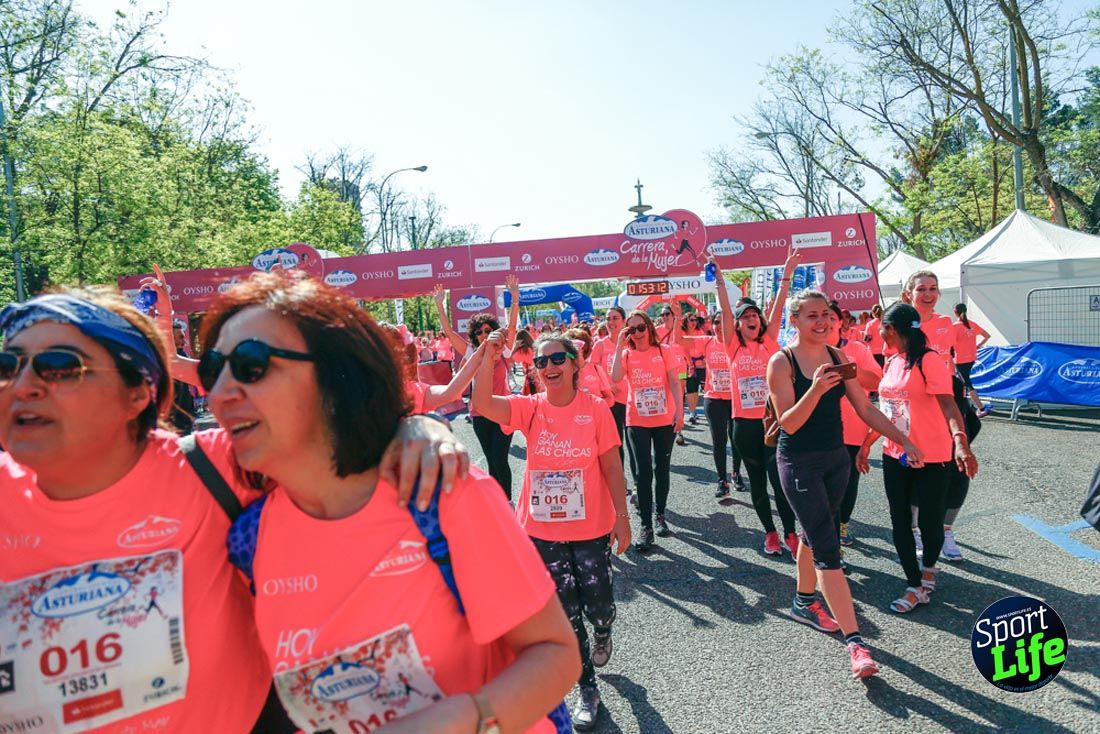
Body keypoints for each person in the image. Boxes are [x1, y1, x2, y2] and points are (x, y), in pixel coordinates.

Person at [0, 286, 468, 734]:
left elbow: (332, 426)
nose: (23, 386)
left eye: (59, 367)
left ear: (137, 394)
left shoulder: (214, 466)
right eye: (7, 365)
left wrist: (416, 430)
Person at [204, 272, 580, 733]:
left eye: (251, 365)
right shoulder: (247, 536)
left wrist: (462, 720)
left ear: (337, 377)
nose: (218, 393)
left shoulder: (443, 492)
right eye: (211, 370)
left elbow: (557, 655)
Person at [472, 332, 630, 732]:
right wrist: (487, 356)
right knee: (566, 614)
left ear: (575, 364)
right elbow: (482, 405)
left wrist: (623, 517)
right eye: (541, 362)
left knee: (599, 605)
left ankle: (604, 630)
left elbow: (611, 466)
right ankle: (587, 689)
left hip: (591, 527)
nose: (549, 367)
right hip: (542, 530)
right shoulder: (531, 408)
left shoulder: (595, 409)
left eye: (557, 359)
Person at [767, 290, 924, 679]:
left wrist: (902, 438)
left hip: (836, 460)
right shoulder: (781, 361)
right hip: (798, 461)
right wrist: (817, 388)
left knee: (810, 533)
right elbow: (788, 422)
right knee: (827, 547)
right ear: (795, 321)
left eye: (826, 315)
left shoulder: (840, 357)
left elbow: (865, 406)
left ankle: (804, 603)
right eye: (811, 316)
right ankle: (856, 643)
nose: (822, 322)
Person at [856, 303, 978, 615]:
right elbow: (888, 411)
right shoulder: (892, 361)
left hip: (933, 455)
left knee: (929, 521)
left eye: (880, 327)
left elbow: (950, 406)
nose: (877, 333)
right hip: (895, 453)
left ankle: (929, 569)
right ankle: (915, 584)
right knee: (899, 520)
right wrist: (867, 443)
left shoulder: (929, 360)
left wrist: (960, 443)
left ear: (890, 329)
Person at [712, 252, 801, 557]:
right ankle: (771, 534)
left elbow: (777, 307)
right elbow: (724, 309)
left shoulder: (769, 342)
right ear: (737, 326)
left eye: (754, 316)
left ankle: (791, 533)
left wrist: (786, 271)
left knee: (780, 482)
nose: (752, 319)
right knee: (758, 484)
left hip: (773, 423)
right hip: (743, 426)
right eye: (745, 317)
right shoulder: (733, 347)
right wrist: (720, 279)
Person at [434, 275, 522, 499]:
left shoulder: (504, 349)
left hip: (503, 410)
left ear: (494, 330)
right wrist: (440, 305)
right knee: (492, 460)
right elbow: (450, 333)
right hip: (479, 413)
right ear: (474, 335)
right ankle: (499, 505)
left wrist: (514, 296)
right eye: (479, 332)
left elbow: (512, 325)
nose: (484, 335)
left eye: (487, 330)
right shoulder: (472, 352)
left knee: (501, 459)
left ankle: (507, 502)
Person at [610, 310, 683, 549]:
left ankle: (660, 515)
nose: (637, 333)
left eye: (641, 328)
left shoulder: (664, 351)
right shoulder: (627, 354)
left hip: (664, 419)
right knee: (642, 473)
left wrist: (680, 412)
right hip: (637, 420)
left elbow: (674, 381)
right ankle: (646, 525)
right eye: (632, 330)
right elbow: (615, 378)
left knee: (661, 468)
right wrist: (620, 344)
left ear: (650, 328)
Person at [824, 301, 883, 550]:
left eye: (831, 318)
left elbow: (876, 380)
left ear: (841, 323)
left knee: (847, 486)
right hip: (819, 433)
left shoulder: (858, 349)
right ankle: (827, 541)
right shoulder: (805, 351)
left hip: (852, 431)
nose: (824, 323)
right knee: (822, 490)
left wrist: (845, 370)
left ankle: (842, 525)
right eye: (818, 316)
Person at [681, 312, 745, 503]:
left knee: (736, 439)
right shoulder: (707, 341)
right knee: (719, 441)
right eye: (716, 322)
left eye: (723, 323)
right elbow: (679, 340)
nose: (719, 326)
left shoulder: (739, 343)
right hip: (713, 397)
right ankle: (722, 481)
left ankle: (735, 473)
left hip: (736, 398)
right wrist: (677, 318)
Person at [590, 307, 638, 492]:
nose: (611, 322)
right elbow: (591, 369)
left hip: (633, 401)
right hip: (611, 402)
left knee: (634, 445)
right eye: (608, 318)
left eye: (615, 318)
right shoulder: (600, 345)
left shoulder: (633, 342)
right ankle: (621, 482)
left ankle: (637, 484)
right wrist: (606, 385)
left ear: (624, 321)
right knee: (615, 446)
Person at [953, 303, 991, 417]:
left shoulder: (955, 326)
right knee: (963, 383)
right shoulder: (972, 324)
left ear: (955, 312)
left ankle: (981, 408)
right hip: (971, 358)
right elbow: (987, 336)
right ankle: (965, 405)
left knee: (967, 383)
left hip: (959, 359)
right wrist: (978, 346)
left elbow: (949, 343)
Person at [566, 328, 614, 403]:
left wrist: (592, 405)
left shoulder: (596, 369)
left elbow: (610, 400)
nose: (574, 349)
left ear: (585, 348)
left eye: (578, 345)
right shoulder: (563, 372)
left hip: (596, 413)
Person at [681, 313, 708, 426]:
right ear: (685, 321)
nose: (694, 322)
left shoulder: (700, 332)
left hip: (700, 366)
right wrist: (689, 362)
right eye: (691, 320)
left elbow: (705, 348)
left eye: (695, 320)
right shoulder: (682, 333)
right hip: (683, 368)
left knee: (698, 390)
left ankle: (694, 412)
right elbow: (681, 349)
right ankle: (690, 413)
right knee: (686, 389)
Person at [863, 304, 886, 368]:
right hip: (883, 351)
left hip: (872, 352)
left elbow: (867, 339)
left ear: (872, 313)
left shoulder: (870, 324)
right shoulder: (885, 323)